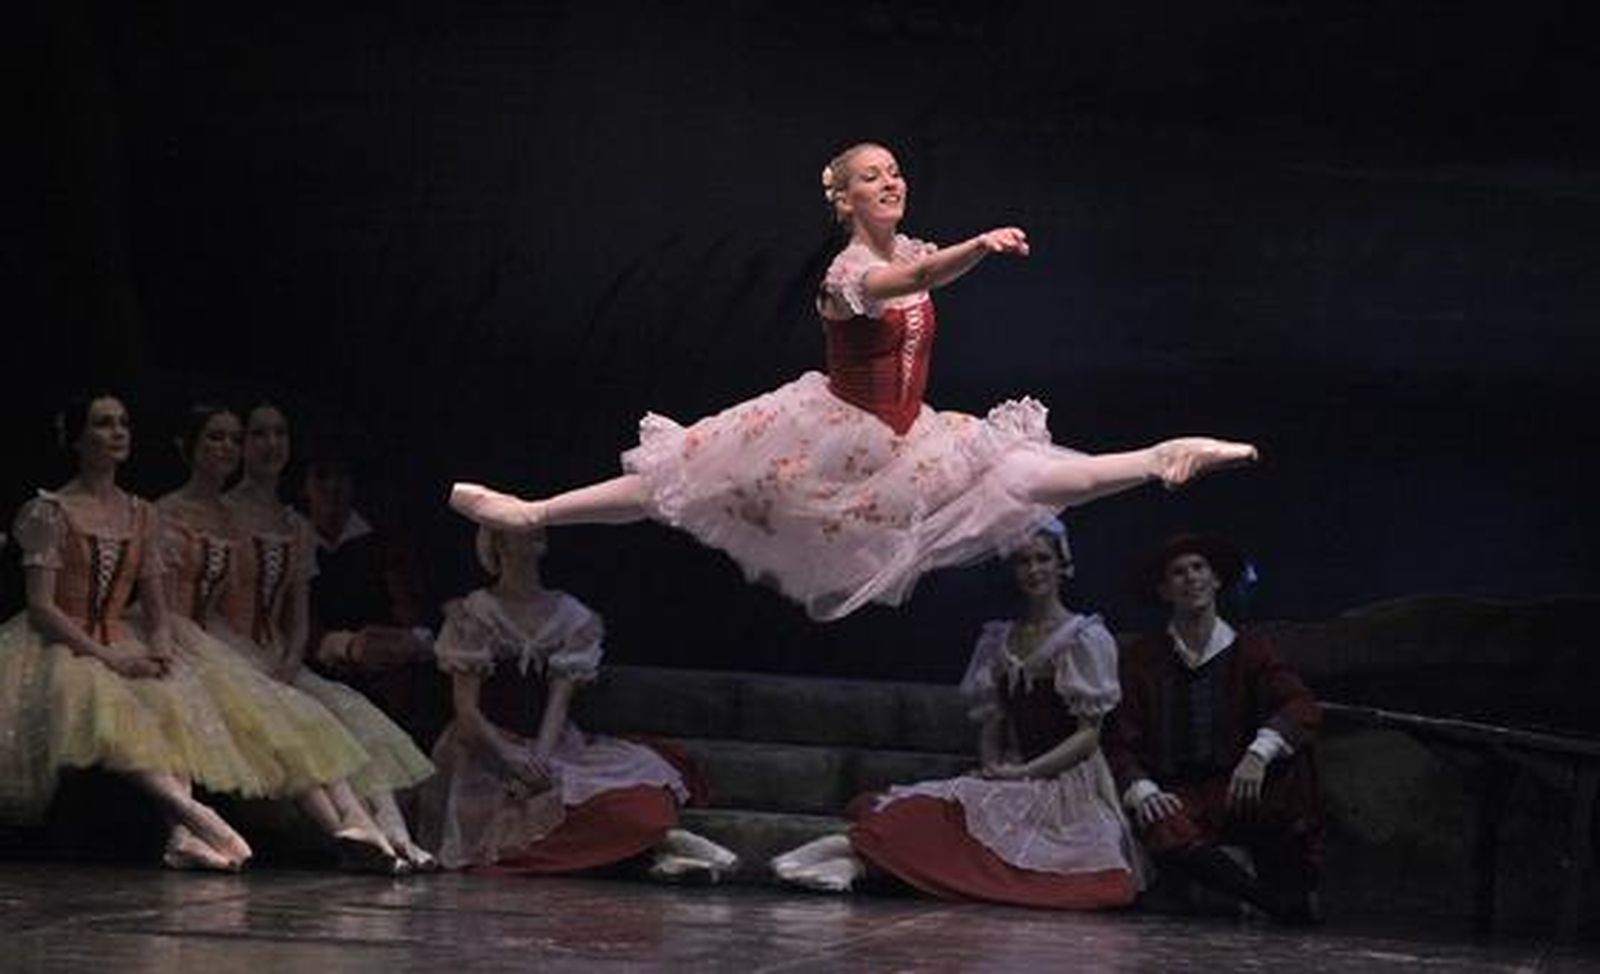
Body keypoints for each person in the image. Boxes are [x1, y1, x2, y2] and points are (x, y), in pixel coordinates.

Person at [448, 142, 1257, 621]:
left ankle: (1161, 455)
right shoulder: (848, 269)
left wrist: (954, 255)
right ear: (842, 198)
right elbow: (907, 288)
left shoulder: (912, 251)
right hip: (832, 437)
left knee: (1027, 474)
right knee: (684, 477)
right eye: (872, 177)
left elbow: (920, 274)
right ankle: (532, 512)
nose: (891, 183)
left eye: (896, 172)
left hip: (915, 436)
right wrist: (974, 249)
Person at [770, 522, 1143, 907]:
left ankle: (858, 864)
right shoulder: (1000, 638)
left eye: (1043, 559)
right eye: (1023, 561)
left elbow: (1087, 737)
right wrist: (994, 765)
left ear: (1061, 565)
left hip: (1067, 782)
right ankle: (845, 851)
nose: (1033, 570)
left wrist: (1023, 774)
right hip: (1015, 769)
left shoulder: (1083, 637)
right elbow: (993, 720)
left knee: (1019, 863)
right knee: (937, 812)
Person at [157, 402, 424, 872]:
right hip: (226, 649)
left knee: (352, 718)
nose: (269, 444)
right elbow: (210, 602)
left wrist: (288, 658)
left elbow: (296, 615)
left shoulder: (292, 523)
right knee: (306, 725)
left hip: (275, 653)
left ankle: (394, 836)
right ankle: (357, 831)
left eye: (278, 433)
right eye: (257, 434)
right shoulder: (225, 514)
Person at [0, 393, 255, 869]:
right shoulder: (50, 511)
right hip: (62, 642)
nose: (117, 433)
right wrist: (107, 656)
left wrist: (159, 644)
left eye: (122, 424)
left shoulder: (142, 514)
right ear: (76, 439)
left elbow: (158, 607)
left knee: (172, 700)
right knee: (104, 707)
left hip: (122, 635)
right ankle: (195, 814)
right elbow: (40, 607)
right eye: (102, 424)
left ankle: (181, 834)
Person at [417, 526, 737, 879]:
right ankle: (655, 850)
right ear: (498, 545)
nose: (532, 535)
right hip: (486, 747)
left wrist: (540, 758)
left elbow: (558, 702)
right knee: (508, 827)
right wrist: (510, 758)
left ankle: (660, 844)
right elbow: (467, 712)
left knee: (632, 796)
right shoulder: (475, 613)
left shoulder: (569, 614)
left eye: (534, 530)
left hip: (551, 743)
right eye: (518, 532)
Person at [1103, 533, 1324, 923]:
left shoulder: (1249, 649)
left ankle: (1293, 884)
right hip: (1180, 792)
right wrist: (1143, 787)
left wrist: (1258, 753)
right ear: (1164, 590)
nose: (1190, 578)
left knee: (1297, 762)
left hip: (1237, 788)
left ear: (1216, 580)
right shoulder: (1141, 658)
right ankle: (1271, 903)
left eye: (1198, 568)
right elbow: (1119, 740)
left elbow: (1300, 705)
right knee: (1160, 819)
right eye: (1178, 573)